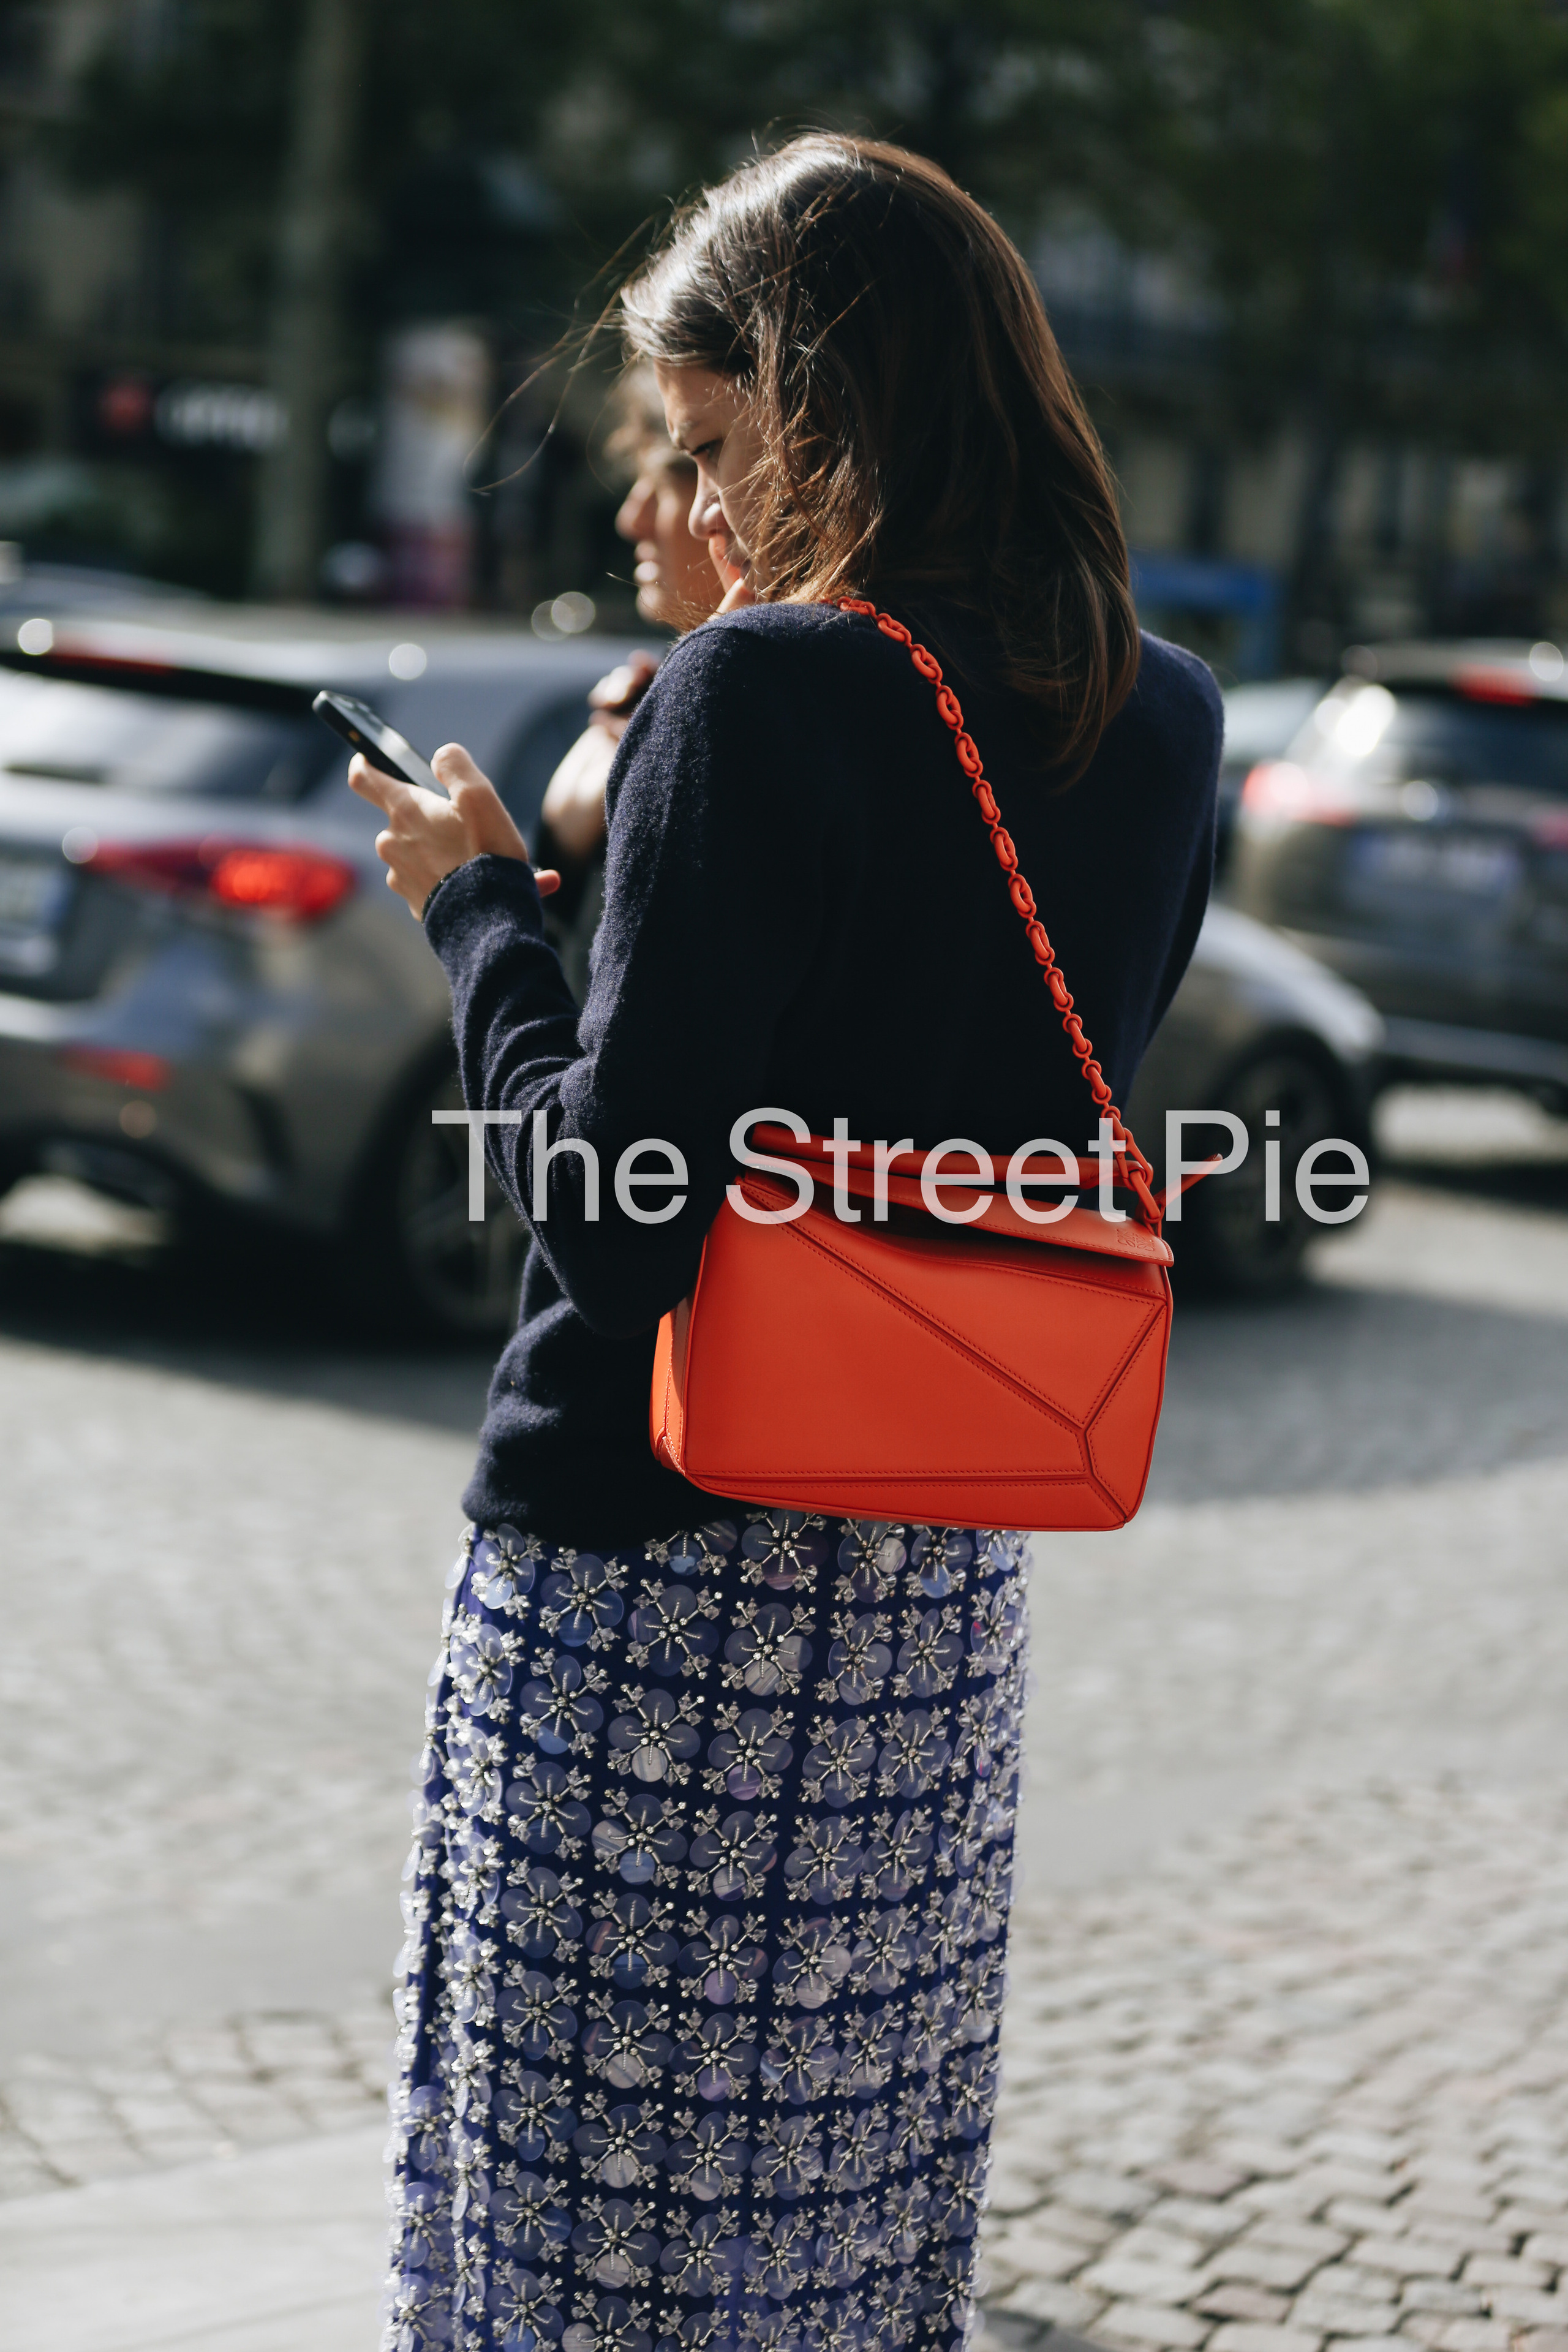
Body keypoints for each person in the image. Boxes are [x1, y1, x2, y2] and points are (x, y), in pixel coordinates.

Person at [355, 135, 1221, 2352]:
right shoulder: (1162, 721)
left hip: (648, 1586)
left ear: (836, 405)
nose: (711, 506)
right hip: (926, 1595)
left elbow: (616, 1205)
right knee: (831, 2232)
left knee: (573, 2247)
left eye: (726, 442)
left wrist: (480, 913)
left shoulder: (756, 697)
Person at [537, 371, 728, 995]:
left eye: (667, 475)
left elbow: (597, 1084)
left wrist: (476, 910)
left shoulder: (731, 727)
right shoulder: (654, 709)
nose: (631, 518)